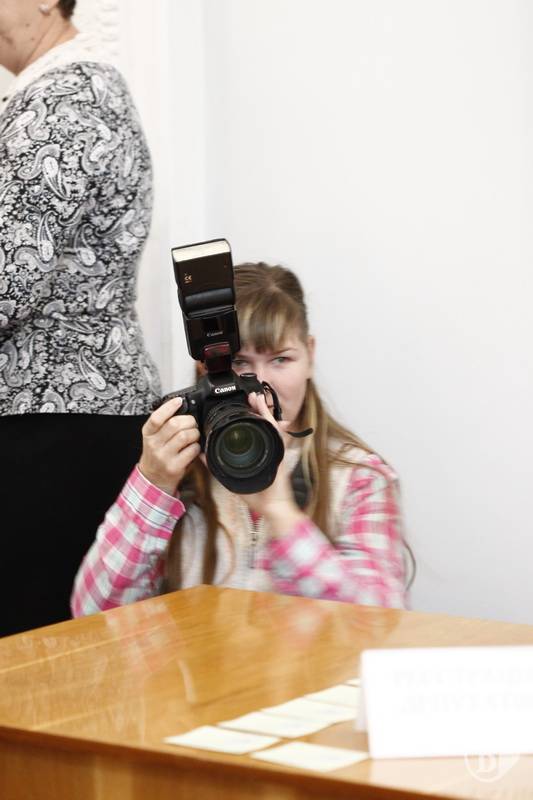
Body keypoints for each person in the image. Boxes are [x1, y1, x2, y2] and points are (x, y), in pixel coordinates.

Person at [72, 263, 409, 616]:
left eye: (281, 359)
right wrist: (152, 485)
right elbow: (93, 614)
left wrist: (281, 513)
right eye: (240, 363)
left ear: (310, 354)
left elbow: (379, 623)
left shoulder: (358, 477)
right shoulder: (181, 472)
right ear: (206, 369)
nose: (262, 385)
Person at [0, 0, 160, 635]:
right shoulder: (62, 94)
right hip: (64, 422)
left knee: (40, 656)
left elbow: (7, 279)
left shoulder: (64, 98)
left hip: (56, 426)